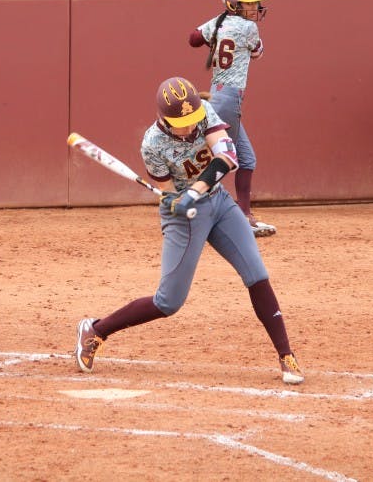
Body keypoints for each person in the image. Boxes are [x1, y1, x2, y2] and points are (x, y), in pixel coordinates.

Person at [74, 76, 304, 386]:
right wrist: (173, 201)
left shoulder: (205, 112)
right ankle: (96, 329)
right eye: (180, 123)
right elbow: (167, 190)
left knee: (257, 275)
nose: (189, 127)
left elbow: (227, 158)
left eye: (192, 119)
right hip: (184, 220)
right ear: (164, 119)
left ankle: (286, 354)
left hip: (218, 203)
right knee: (168, 302)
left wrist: (194, 192)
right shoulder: (152, 145)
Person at [189, 0, 276, 236]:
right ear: (235, 5)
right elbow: (258, 53)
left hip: (219, 95)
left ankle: (243, 214)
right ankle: (195, 208)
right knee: (226, 159)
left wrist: (218, 27)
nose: (255, 8)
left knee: (246, 158)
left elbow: (193, 39)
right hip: (228, 99)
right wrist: (227, 25)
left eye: (254, 3)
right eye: (249, 4)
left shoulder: (218, 22)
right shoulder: (248, 27)